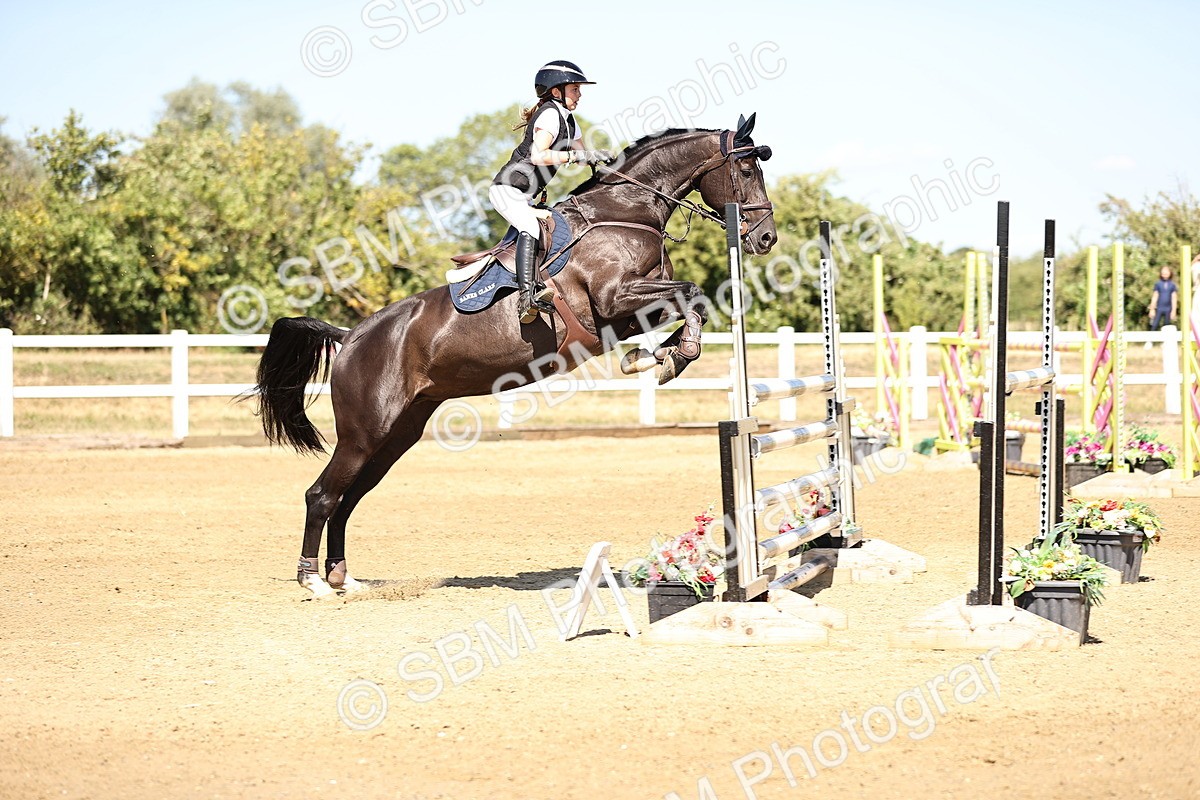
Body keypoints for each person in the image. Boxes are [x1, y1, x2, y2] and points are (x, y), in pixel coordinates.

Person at [490, 60, 613, 323]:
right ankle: (527, 297)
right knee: (532, 229)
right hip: (507, 190)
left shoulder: (569, 121)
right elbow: (538, 155)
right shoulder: (548, 115)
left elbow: (579, 155)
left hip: (525, 195)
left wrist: (602, 160)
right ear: (557, 91)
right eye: (575, 89)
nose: (580, 95)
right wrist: (577, 155)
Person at [1148, 265, 1178, 332]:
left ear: (1170, 273)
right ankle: (1150, 341)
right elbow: (1155, 296)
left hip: (1168, 308)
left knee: (1167, 325)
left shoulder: (1172, 285)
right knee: (1154, 324)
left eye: (1166, 272)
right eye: (1163, 272)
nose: (1165, 273)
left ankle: (1166, 341)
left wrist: (1173, 311)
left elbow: (1174, 298)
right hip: (1159, 308)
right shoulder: (1158, 284)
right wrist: (1152, 309)